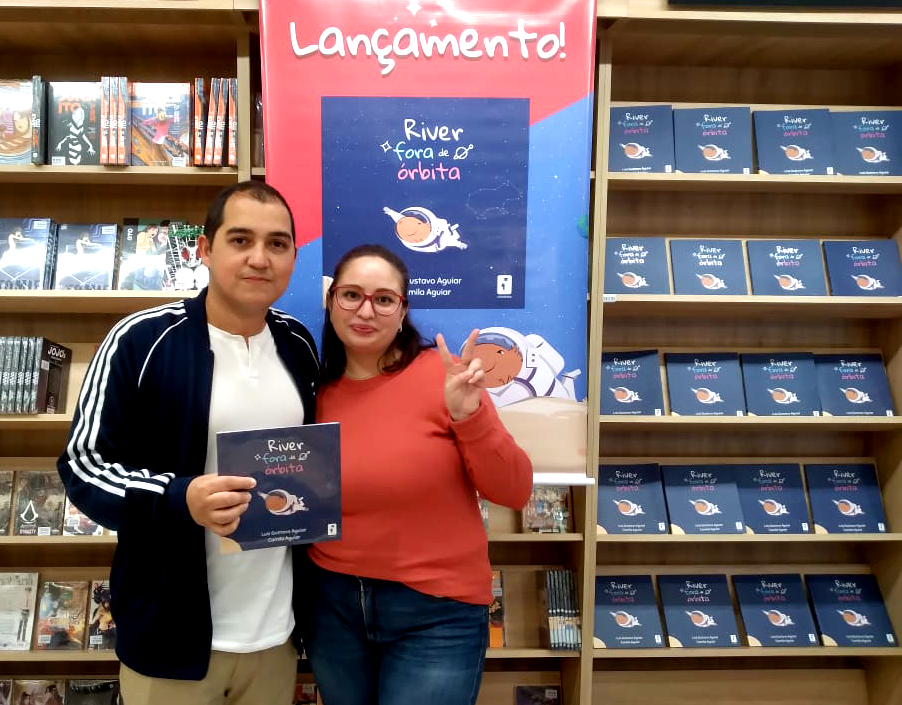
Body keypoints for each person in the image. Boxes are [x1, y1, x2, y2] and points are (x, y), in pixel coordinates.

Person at [56, 180, 320, 705]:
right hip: (171, 641)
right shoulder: (140, 339)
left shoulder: (298, 343)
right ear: (204, 249)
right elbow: (84, 466)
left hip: (276, 637)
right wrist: (179, 498)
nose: (260, 258)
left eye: (277, 243)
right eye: (240, 240)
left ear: (294, 257)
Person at [299, 243, 533, 705]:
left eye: (384, 299)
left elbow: (514, 490)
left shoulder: (444, 379)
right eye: (352, 295)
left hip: (436, 613)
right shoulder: (312, 388)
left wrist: (469, 417)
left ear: (403, 311)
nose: (366, 310)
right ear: (331, 301)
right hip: (332, 607)